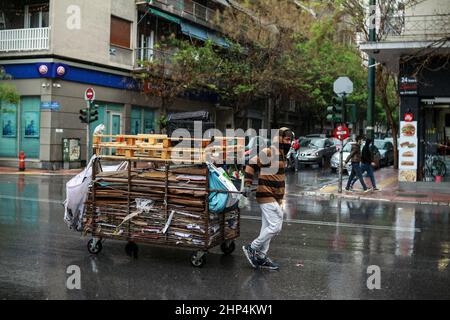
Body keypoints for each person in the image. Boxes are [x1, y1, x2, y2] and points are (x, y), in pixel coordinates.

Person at [242, 127, 292, 271]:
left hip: (275, 197)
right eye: (287, 139)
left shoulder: (282, 154)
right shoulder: (270, 151)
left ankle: (261, 257)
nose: (289, 142)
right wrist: (247, 184)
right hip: (266, 194)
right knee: (275, 226)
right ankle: (252, 248)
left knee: (267, 228)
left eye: (290, 140)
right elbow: (251, 163)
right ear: (280, 138)